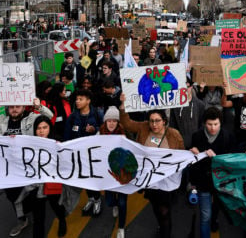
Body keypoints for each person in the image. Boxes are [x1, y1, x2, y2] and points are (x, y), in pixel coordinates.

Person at [119, 94, 184, 238]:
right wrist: (123, 105)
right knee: (156, 207)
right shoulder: (143, 128)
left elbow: (181, 155)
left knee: (164, 210)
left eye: (157, 121)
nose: (154, 124)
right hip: (150, 181)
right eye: (151, 121)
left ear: (164, 122)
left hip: (167, 181)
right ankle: (161, 226)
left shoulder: (174, 135)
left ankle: (165, 233)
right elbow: (126, 123)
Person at [0, 98, 53, 237]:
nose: (14, 109)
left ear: (24, 106)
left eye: (18, 106)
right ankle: (22, 220)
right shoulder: (2, 121)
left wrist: (39, 106)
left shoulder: (32, 118)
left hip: (33, 173)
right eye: (11, 107)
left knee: (38, 209)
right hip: (11, 172)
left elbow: (50, 118)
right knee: (13, 199)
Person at [189, 107, 236, 238]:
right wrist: (193, 183)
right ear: (204, 123)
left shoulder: (228, 136)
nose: (213, 128)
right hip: (203, 182)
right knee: (205, 216)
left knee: (217, 206)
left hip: (222, 181)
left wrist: (214, 158)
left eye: (216, 124)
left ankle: (214, 220)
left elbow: (231, 160)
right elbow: (193, 163)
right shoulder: (197, 136)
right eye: (209, 124)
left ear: (220, 123)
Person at [64, 89, 104, 216]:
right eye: (76, 99)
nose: (77, 101)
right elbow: (67, 136)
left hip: (94, 155)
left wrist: (95, 129)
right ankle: (91, 198)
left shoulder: (97, 114)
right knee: (85, 178)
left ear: (88, 101)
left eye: (80, 99)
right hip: (79, 156)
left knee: (93, 178)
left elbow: (104, 130)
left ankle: (97, 199)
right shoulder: (72, 117)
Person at [32, 116, 67, 238]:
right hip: (37, 186)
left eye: (45, 127)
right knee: (38, 217)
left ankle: (62, 220)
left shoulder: (58, 142)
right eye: (38, 128)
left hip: (53, 184)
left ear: (50, 128)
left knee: (57, 206)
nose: (41, 131)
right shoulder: (29, 143)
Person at [99, 107, 127, 238]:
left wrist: (125, 141)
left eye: (114, 121)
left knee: (122, 202)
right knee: (109, 201)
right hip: (108, 174)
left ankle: (121, 228)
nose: (111, 123)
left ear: (118, 122)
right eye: (108, 120)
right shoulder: (100, 134)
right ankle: (114, 205)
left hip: (122, 174)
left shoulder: (124, 133)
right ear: (105, 122)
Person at [221, 86, 246, 152]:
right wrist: (225, 92)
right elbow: (224, 104)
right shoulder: (237, 101)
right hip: (239, 135)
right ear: (243, 93)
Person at [170, 78, 205, 149]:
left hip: (196, 144)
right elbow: (172, 125)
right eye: (183, 87)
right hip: (179, 143)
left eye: (187, 87)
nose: (185, 90)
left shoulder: (200, 104)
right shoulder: (175, 106)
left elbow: (202, 125)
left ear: (191, 87)